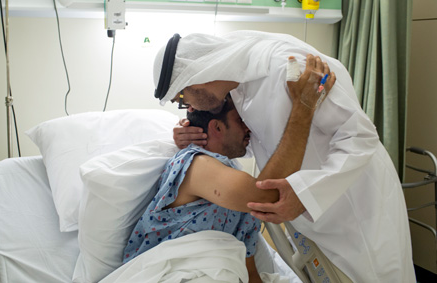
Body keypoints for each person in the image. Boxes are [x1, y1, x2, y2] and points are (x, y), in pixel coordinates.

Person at [152, 31, 414, 282]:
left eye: (183, 98)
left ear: (195, 76)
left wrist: (306, 193)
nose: (190, 108)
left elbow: (359, 137)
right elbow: (267, 139)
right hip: (313, 213)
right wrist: (191, 136)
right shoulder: (238, 87)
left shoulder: (291, 69)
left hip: (354, 206)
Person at [124, 62, 328, 282]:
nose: (248, 128)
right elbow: (267, 195)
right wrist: (304, 105)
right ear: (217, 128)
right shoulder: (195, 163)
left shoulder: (232, 186)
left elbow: (249, 272)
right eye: (240, 121)